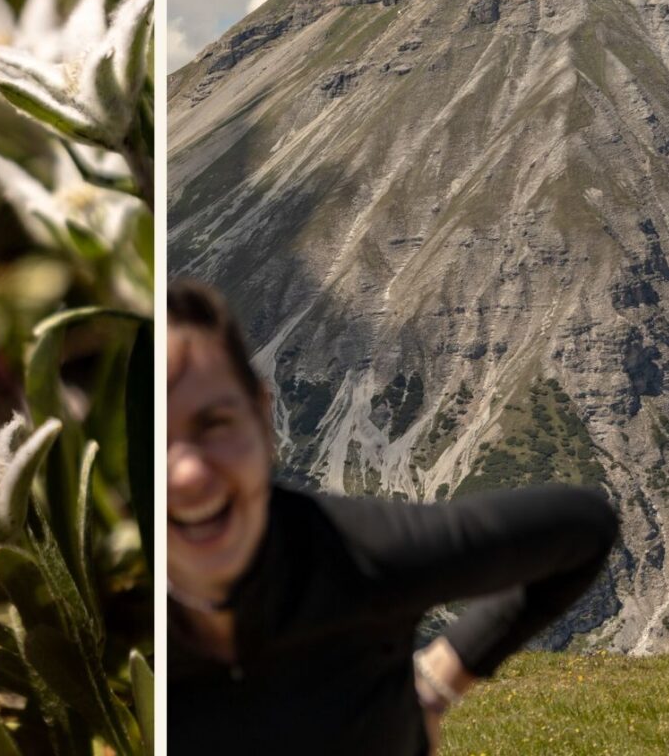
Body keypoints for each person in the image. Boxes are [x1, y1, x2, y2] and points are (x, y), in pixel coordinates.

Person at [166, 279, 620, 756]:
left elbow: (585, 529)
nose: (188, 474)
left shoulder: (359, 554)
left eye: (215, 424)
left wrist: (442, 677)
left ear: (263, 418)